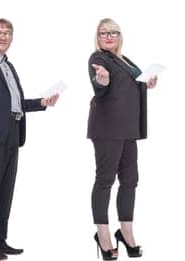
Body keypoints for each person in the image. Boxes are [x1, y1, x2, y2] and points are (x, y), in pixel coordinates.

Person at [0, 18, 59, 261]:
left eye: (7, 33)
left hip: (13, 132)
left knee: (5, 190)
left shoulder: (9, 65)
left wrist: (42, 102)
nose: (3, 37)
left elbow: (14, 102)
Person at [86, 18, 151, 261]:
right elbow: (100, 84)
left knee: (130, 180)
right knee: (105, 179)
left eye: (113, 32)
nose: (109, 37)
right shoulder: (98, 59)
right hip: (107, 128)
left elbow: (133, 82)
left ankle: (125, 231)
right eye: (104, 33)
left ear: (120, 35)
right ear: (98, 37)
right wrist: (101, 79)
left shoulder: (124, 59)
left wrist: (147, 82)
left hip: (128, 128)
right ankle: (103, 235)